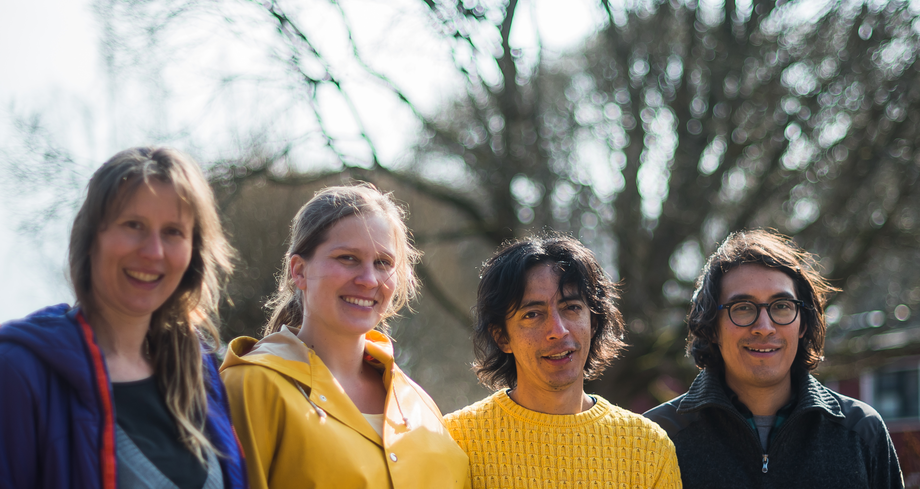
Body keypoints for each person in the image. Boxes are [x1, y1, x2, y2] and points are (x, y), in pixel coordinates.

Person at [0, 146, 247, 489]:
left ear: (193, 252)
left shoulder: (199, 371)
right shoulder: (18, 372)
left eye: (173, 231)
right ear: (91, 238)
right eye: (133, 225)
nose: (153, 251)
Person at [220, 184, 469, 489]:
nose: (368, 279)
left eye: (383, 263)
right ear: (299, 271)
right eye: (348, 258)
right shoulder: (251, 385)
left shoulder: (417, 402)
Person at [644, 229, 903, 488]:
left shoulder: (862, 431)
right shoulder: (656, 436)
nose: (765, 328)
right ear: (712, 327)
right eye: (743, 308)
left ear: (803, 324)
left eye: (781, 306)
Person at [444, 234, 682, 489]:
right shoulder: (456, 439)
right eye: (532, 314)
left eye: (571, 308)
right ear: (502, 337)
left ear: (593, 322)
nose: (558, 330)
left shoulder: (648, 449)